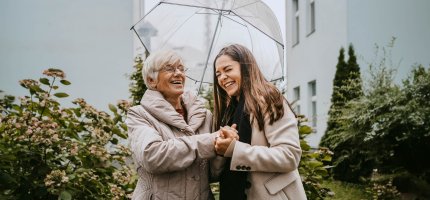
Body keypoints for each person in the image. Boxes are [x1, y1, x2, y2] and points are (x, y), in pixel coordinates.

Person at [126, 49, 237, 200]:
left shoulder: (204, 116)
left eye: (181, 69)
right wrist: (210, 141)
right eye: (169, 68)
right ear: (152, 81)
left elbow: (212, 174)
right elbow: (152, 156)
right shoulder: (139, 115)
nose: (178, 73)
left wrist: (223, 147)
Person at [212, 44, 307, 200]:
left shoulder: (269, 99)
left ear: (246, 68)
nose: (222, 77)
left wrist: (235, 149)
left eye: (228, 70)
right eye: (218, 74)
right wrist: (219, 148)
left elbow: (289, 155)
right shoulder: (229, 111)